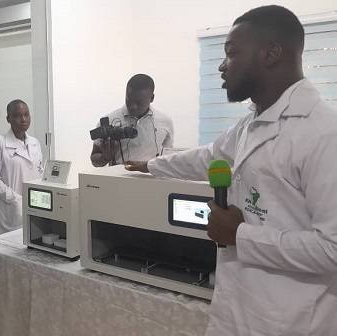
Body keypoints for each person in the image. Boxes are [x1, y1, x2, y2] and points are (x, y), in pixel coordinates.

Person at [125, 5, 337, 335]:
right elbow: (208, 157)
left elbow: (331, 250)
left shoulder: (324, 133)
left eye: (231, 53)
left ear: (271, 53)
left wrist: (240, 235)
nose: (222, 66)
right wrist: (150, 164)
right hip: (238, 309)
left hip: (291, 322)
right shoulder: (252, 124)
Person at [0, 99, 43, 236]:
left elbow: (40, 173)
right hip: (8, 211)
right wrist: (16, 199)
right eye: (17, 116)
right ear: (8, 119)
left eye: (26, 114)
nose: (23, 119)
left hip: (34, 208)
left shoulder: (35, 143)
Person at [90, 74, 173, 166]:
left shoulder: (165, 121)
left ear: (152, 98)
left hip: (151, 179)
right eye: (128, 100)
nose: (133, 106)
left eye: (138, 102)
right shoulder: (109, 121)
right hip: (117, 179)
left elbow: (167, 158)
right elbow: (95, 160)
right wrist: (104, 158)